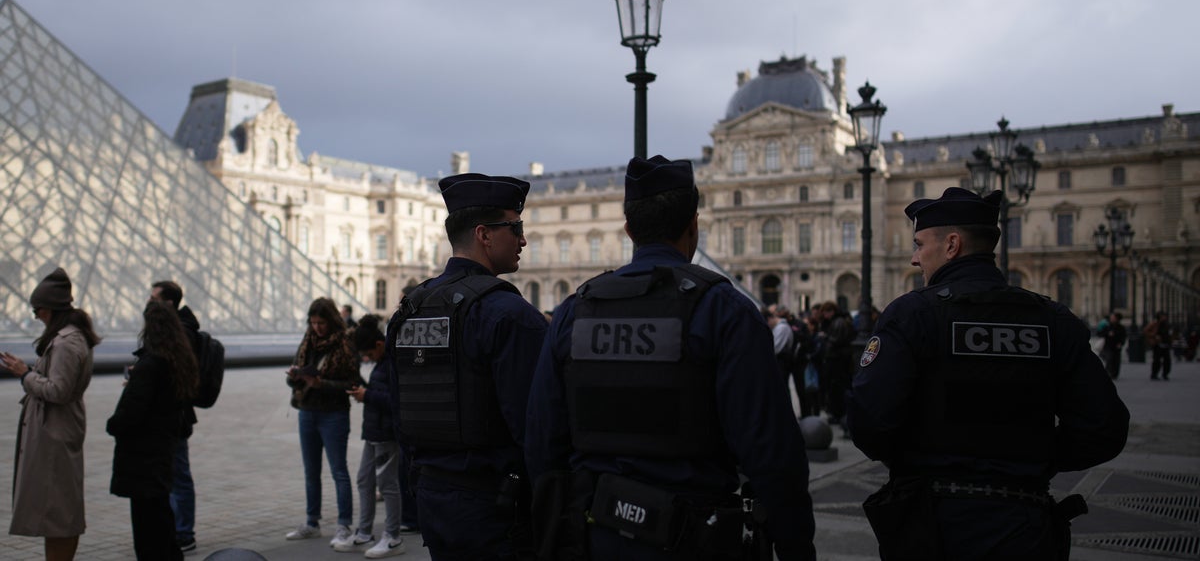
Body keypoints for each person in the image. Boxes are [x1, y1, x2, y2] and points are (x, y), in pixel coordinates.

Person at [525, 155, 817, 561]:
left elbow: (542, 439)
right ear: (693, 226)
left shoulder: (575, 310)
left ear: (628, 230)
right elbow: (770, 452)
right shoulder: (724, 310)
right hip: (695, 535)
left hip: (594, 533)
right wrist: (795, 544)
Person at [847, 187, 1130, 560]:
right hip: (1025, 521)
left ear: (951, 245)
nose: (915, 258)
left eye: (919, 244)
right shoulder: (1052, 319)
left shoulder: (912, 315)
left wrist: (924, 455)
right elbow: (1105, 428)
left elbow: (869, 422)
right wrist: (1033, 456)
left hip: (933, 522)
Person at [386, 172, 547, 560]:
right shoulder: (509, 314)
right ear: (484, 235)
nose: (523, 239)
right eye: (516, 227)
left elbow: (400, 412)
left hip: (433, 500)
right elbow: (537, 429)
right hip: (497, 506)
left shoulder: (410, 310)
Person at [0, 268, 100, 561]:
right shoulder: (70, 337)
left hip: (54, 434)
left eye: (37, 311)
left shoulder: (67, 342)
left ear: (50, 309)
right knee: (56, 512)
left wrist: (24, 374)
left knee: (59, 514)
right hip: (55, 431)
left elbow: (59, 390)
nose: (36, 317)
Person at [107, 300, 200, 560]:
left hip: (142, 457)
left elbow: (130, 413)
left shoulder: (150, 364)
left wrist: (113, 425)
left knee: (147, 530)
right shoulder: (178, 360)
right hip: (163, 450)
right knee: (162, 520)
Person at [285, 297, 362, 548]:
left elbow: (352, 384)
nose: (317, 328)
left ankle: (343, 524)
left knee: (339, 471)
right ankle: (311, 522)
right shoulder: (308, 340)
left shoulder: (345, 344)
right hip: (307, 411)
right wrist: (295, 376)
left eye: (321, 323)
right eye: (313, 322)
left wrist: (322, 384)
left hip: (334, 414)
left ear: (331, 320)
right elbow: (295, 378)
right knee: (311, 471)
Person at [344, 314, 409, 558]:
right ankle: (364, 532)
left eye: (368, 355)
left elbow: (397, 401)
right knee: (364, 480)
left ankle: (392, 537)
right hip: (373, 431)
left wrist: (366, 395)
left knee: (388, 484)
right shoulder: (383, 362)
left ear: (379, 345)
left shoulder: (393, 362)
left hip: (385, 434)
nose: (367, 360)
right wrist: (366, 393)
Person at [150, 280, 204, 553]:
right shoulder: (180, 328)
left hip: (175, 413)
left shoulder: (181, 332)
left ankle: (184, 534)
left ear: (168, 304)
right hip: (175, 412)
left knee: (179, 474)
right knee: (172, 473)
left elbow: (175, 372)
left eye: (154, 299)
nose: (149, 304)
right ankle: (176, 529)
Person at [1096, 311, 1127, 380]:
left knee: (1116, 360)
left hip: (1116, 346)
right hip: (1108, 346)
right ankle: (1107, 373)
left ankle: (1114, 374)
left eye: (1113, 317)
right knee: (1109, 359)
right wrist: (1108, 334)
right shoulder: (1108, 326)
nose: (1111, 319)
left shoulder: (1121, 327)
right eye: (1111, 317)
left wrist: (1121, 343)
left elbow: (1123, 336)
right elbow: (1099, 333)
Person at [1144, 311, 1172, 380]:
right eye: (1163, 316)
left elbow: (1169, 334)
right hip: (1157, 344)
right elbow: (1146, 331)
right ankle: (1154, 374)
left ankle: (1165, 374)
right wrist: (1154, 336)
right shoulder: (1155, 324)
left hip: (1166, 344)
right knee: (1156, 360)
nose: (1164, 317)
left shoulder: (1166, 324)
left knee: (1167, 360)